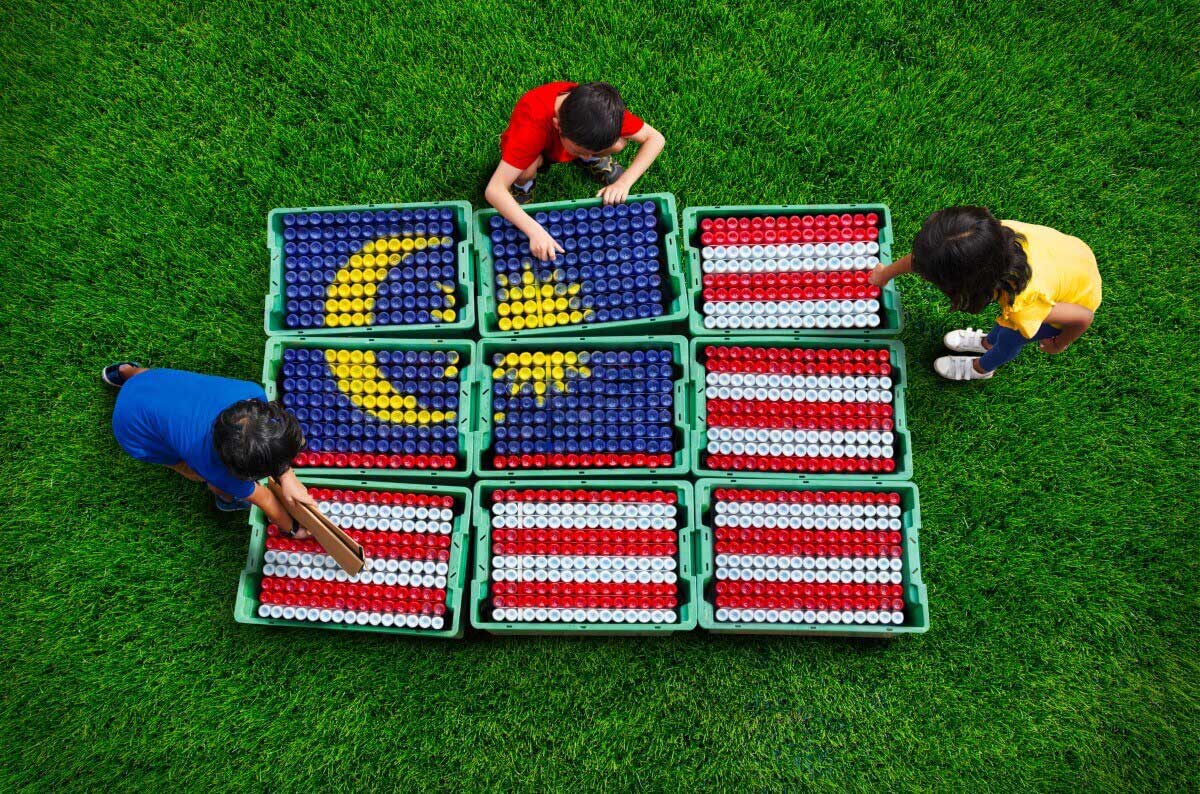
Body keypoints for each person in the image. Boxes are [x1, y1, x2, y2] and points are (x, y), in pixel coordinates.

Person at [870, 206, 1102, 381]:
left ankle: (981, 368)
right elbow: (924, 260)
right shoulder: (988, 236)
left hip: (1072, 299)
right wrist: (885, 274)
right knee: (1003, 328)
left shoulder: (1026, 305)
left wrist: (1060, 342)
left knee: (1009, 338)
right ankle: (985, 342)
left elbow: (1084, 316)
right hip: (1067, 257)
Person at [103, 363, 315, 537]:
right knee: (190, 470)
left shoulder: (251, 394)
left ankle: (126, 371)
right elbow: (266, 499)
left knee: (145, 380)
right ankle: (226, 499)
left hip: (153, 384)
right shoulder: (213, 466)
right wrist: (294, 529)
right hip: (132, 430)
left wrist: (288, 478)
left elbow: (265, 438)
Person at [484, 81, 666, 260]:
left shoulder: (600, 113)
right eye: (581, 152)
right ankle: (523, 186)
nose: (585, 156)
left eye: (591, 153)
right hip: (536, 151)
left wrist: (623, 183)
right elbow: (494, 189)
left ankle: (588, 153)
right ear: (557, 126)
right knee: (525, 171)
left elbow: (656, 139)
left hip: (569, 139)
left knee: (618, 143)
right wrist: (534, 230)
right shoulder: (531, 126)